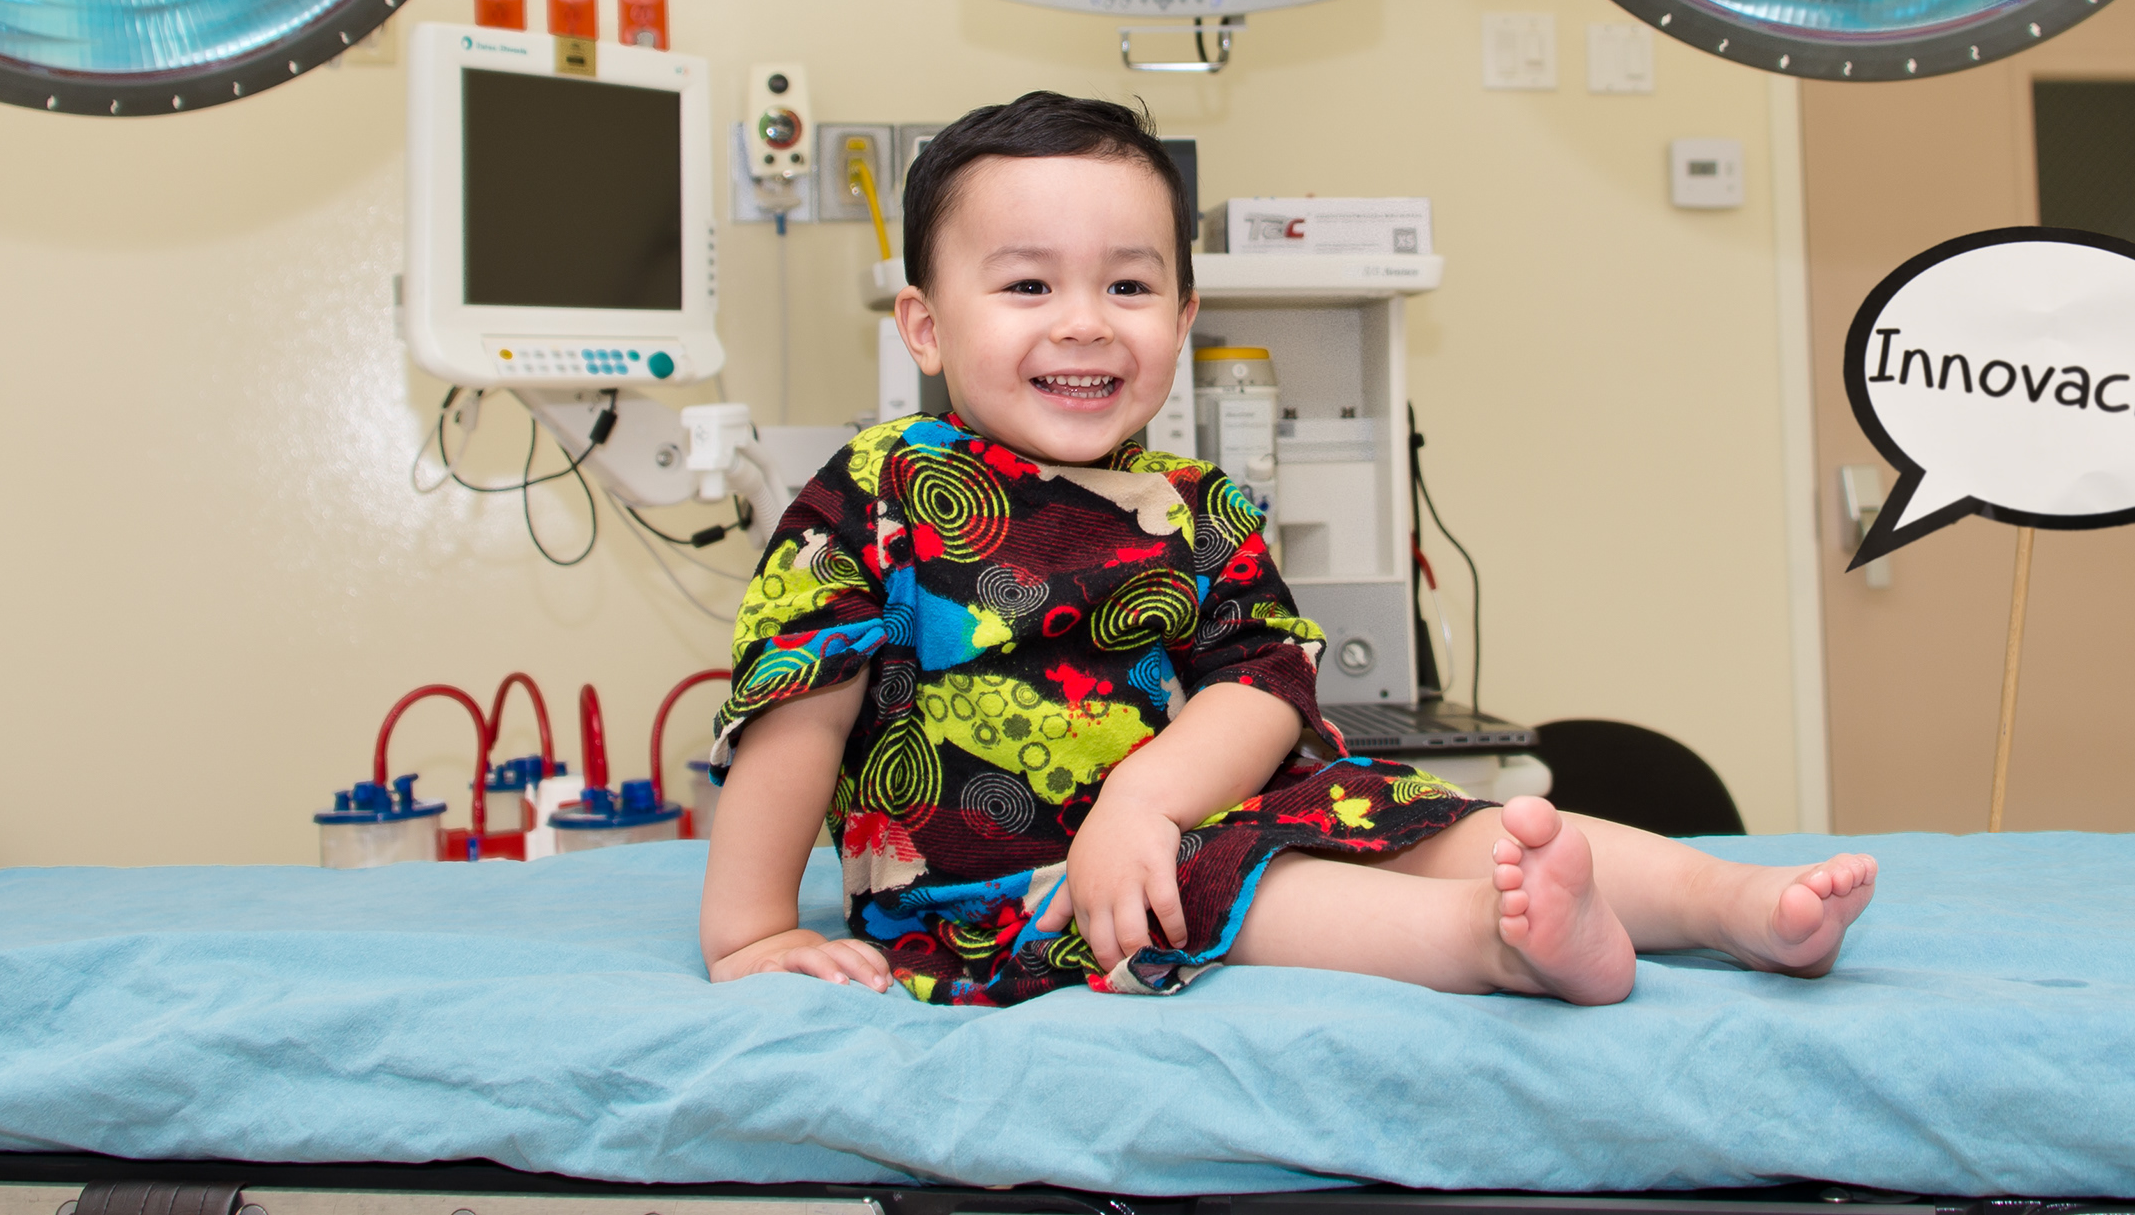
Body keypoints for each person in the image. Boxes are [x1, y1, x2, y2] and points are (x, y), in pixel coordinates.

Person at [700, 90, 1875, 1006]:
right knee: (1234, 889)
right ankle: (1500, 944)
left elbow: (1262, 687)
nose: (1084, 321)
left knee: (1411, 811)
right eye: (1027, 284)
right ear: (925, 324)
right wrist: (753, 929)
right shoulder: (879, 493)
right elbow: (800, 710)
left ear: (1183, 318)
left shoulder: (1202, 506)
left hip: (1197, 817)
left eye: (1128, 284)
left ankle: (1731, 901)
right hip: (1017, 898)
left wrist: (1146, 800)